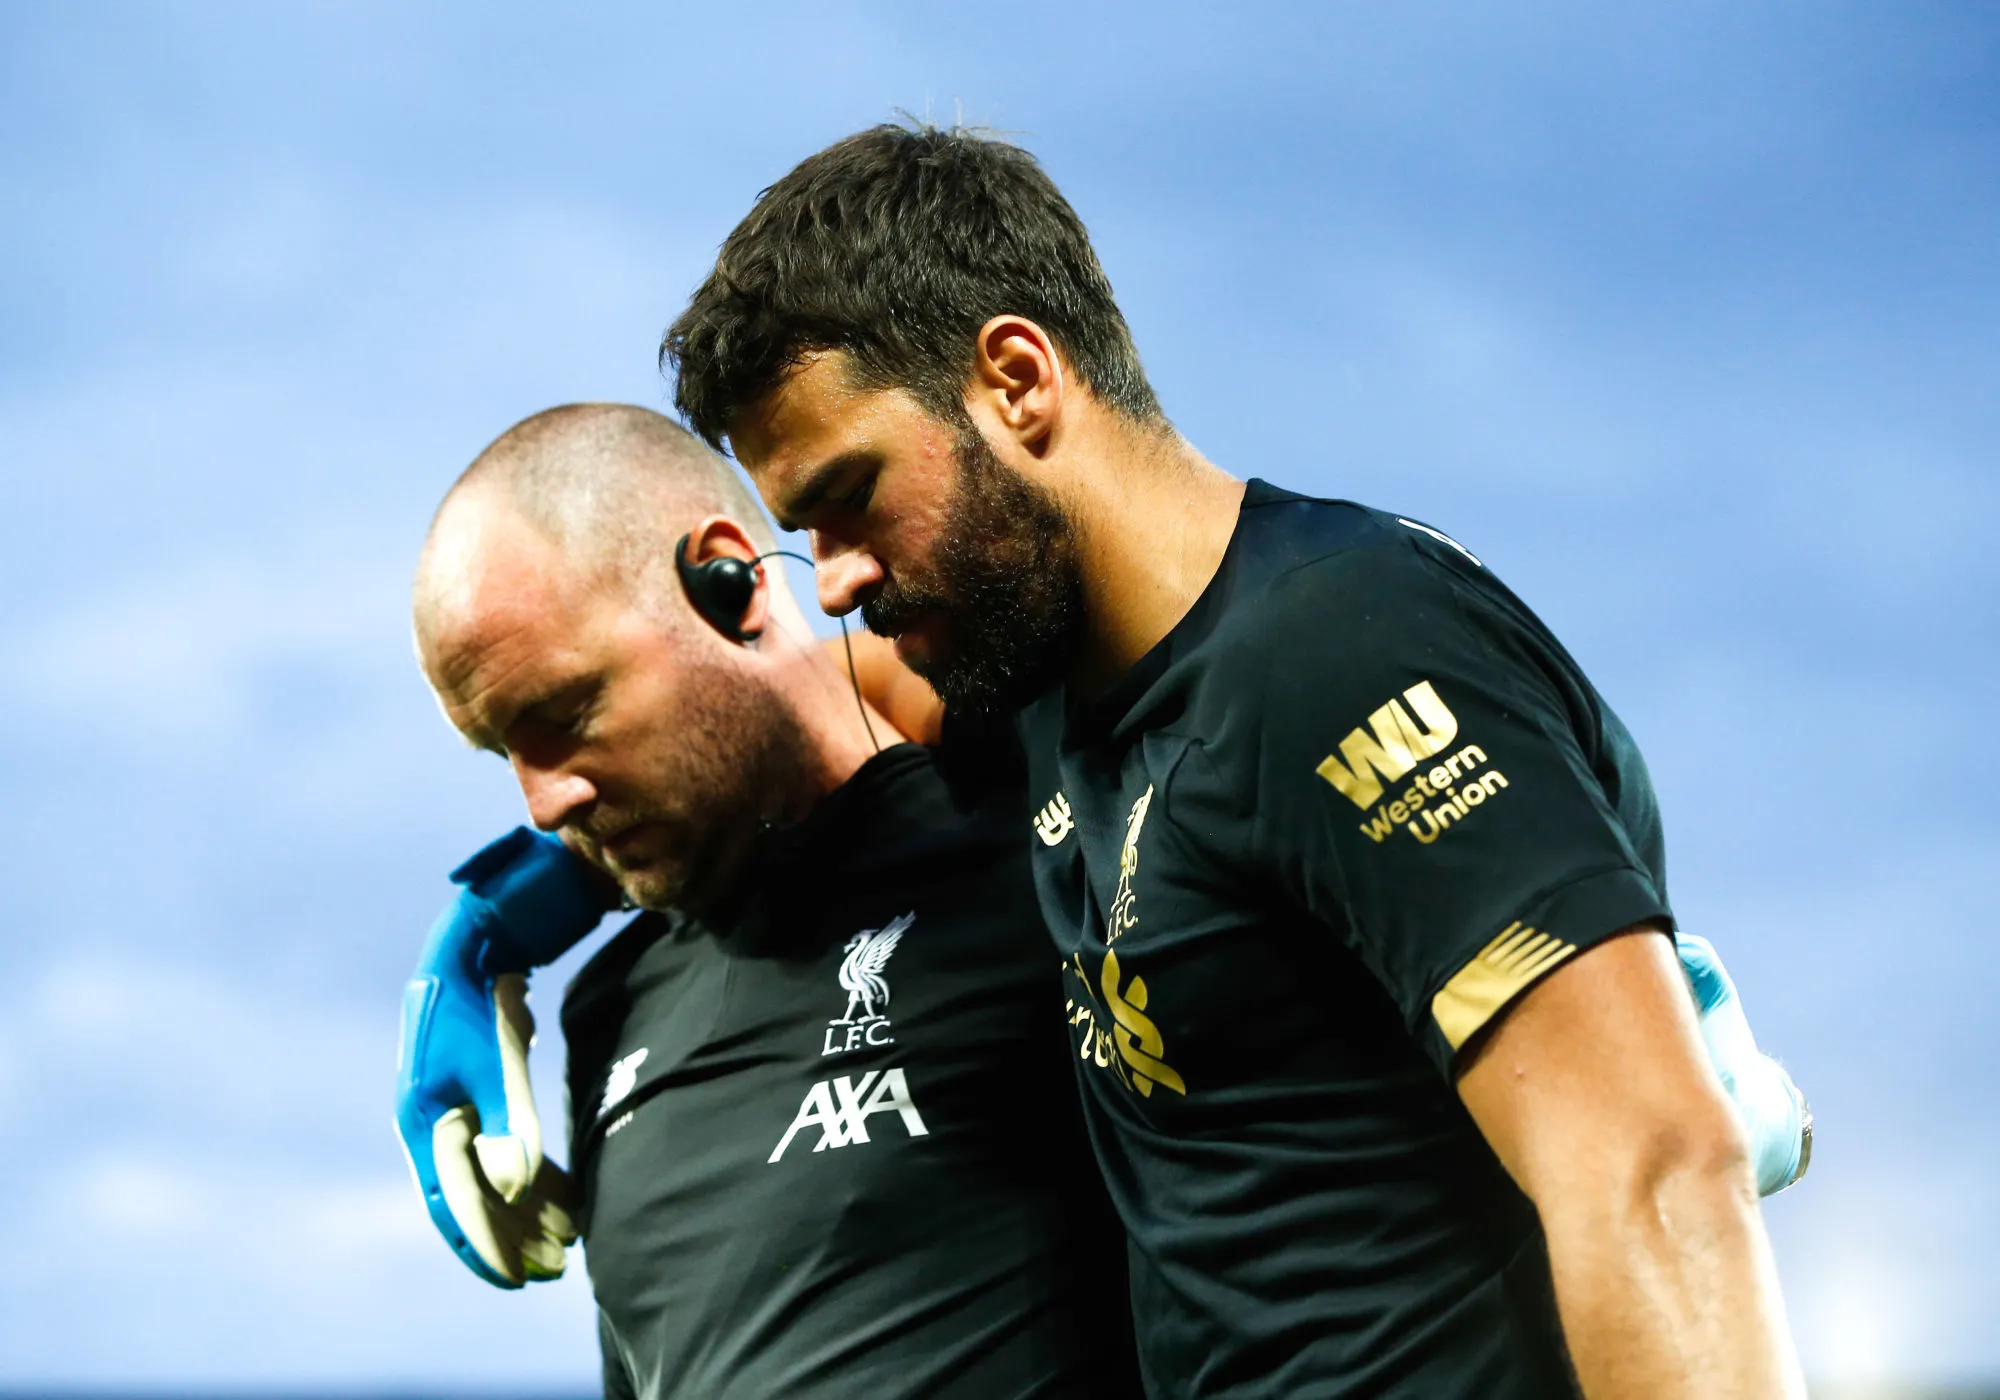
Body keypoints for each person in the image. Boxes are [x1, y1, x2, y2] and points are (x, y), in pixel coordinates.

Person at [660, 123, 1811, 1397]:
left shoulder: (1340, 652)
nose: (834, 579)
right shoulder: (1033, 670)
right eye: (801, 530)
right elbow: (766, 723)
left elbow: (1651, 1172)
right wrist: (505, 910)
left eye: (849, 492)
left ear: (1016, 379)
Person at [397, 403, 1142, 1399]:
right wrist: (484, 927)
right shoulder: (605, 1006)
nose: (543, 800)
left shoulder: (1043, 842)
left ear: (728, 581)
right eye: (504, 752)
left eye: (567, 714)